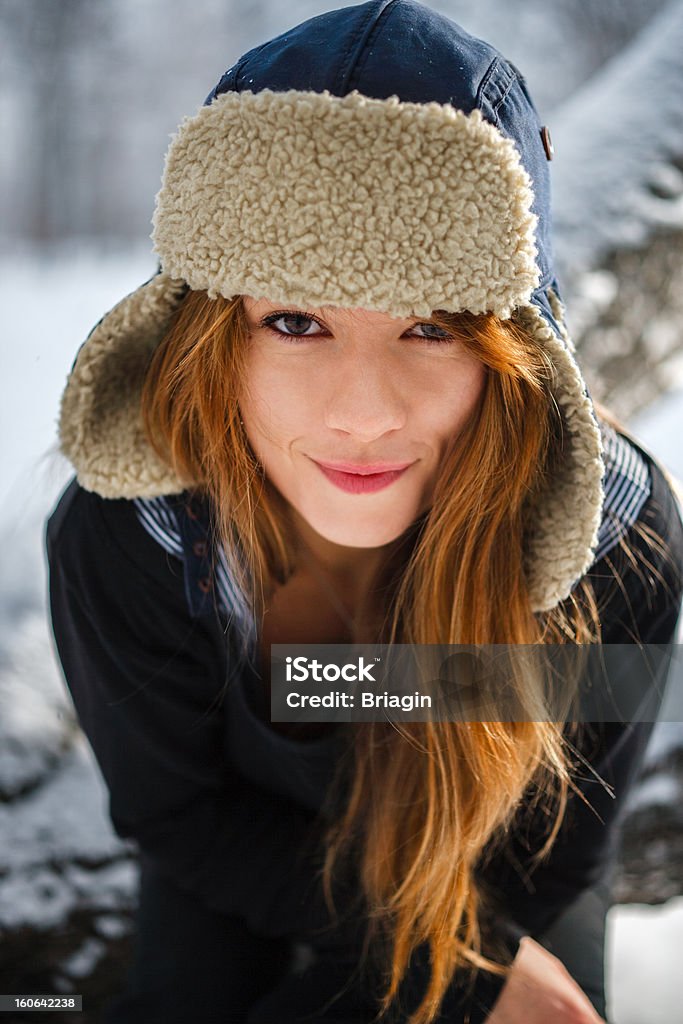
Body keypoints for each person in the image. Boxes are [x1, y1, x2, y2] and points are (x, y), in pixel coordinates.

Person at [44, 1, 683, 1022]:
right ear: (215, 334)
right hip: (242, 842)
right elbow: (179, 810)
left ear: (510, 354)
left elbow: (560, 846)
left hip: (493, 881)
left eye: (429, 328)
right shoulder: (139, 531)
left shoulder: (610, 544)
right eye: (294, 320)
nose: (362, 412)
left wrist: (466, 973)